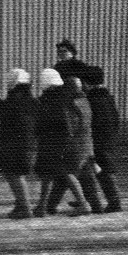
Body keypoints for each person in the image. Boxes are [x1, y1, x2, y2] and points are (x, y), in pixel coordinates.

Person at [33, 69, 92, 216]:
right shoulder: (64, 96)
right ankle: (42, 206)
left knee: (62, 172)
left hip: (54, 142)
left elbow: (58, 122)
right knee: (49, 174)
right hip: (61, 141)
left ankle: (83, 204)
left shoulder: (51, 99)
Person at [0, 68, 39, 218]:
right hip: (28, 143)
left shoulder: (15, 98)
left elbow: (2, 114)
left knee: (14, 174)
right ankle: (20, 205)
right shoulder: (32, 100)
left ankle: (24, 207)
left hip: (14, 144)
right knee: (14, 174)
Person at [81, 65, 122, 213]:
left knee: (100, 171)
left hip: (98, 141)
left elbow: (92, 122)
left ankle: (113, 202)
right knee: (101, 170)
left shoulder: (93, 99)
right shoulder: (107, 96)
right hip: (108, 138)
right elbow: (116, 118)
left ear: (86, 82)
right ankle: (94, 200)